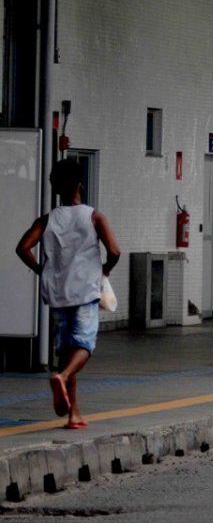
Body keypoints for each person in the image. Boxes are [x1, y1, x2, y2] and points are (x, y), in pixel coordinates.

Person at [15, 159, 121, 429]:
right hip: (85, 291)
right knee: (84, 345)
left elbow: (23, 247)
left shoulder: (48, 219)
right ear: (80, 185)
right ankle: (62, 378)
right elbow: (115, 251)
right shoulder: (93, 216)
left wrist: (41, 270)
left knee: (66, 352)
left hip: (58, 294)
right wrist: (104, 270)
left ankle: (74, 414)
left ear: (57, 187)